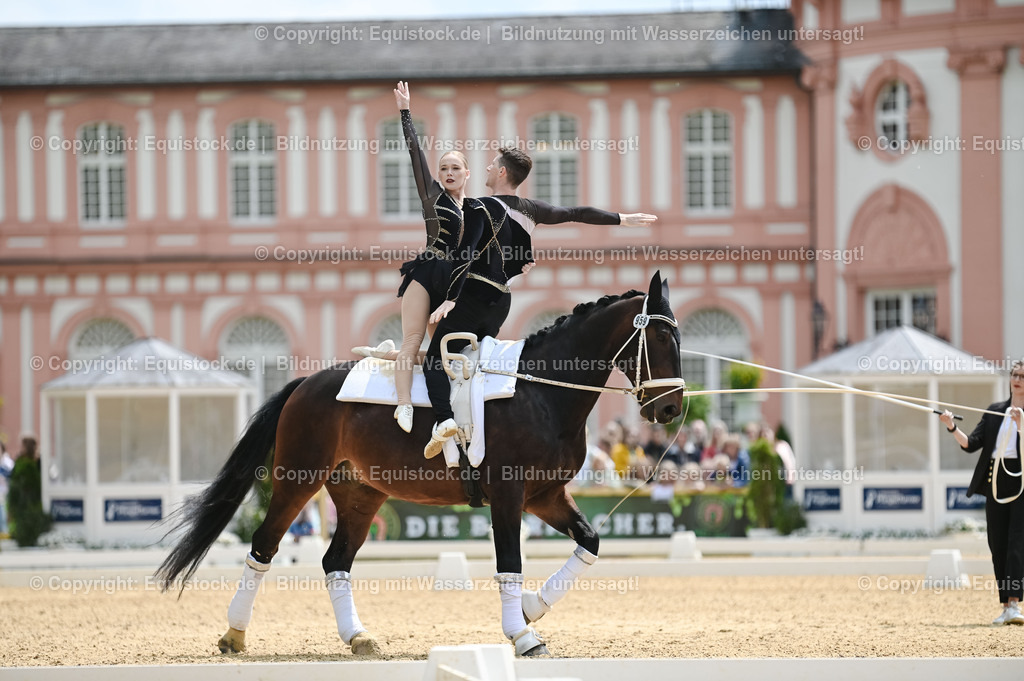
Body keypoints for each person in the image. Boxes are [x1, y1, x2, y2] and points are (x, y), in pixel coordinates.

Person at [421, 145, 658, 458]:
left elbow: (462, 255)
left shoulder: (479, 206)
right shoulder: (530, 209)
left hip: (474, 295)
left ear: (503, 172)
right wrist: (621, 219)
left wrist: (449, 297)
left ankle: (445, 424)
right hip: (501, 300)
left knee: (435, 362)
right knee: (472, 365)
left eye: (492, 165)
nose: (487, 169)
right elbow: (576, 213)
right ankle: (477, 435)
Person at [353, 82, 477, 434]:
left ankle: (390, 360)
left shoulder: (479, 210)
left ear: (467, 173)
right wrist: (405, 112)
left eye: (455, 168)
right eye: (444, 169)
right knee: (413, 340)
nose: (448, 173)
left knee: (450, 353)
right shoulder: (433, 198)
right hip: (427, 272)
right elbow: (414, 154)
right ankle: (404, 404)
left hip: (454, 283)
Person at [940, 360, 1024, 625]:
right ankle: (1005, 604)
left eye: (1022, 375)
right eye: (1014, 374)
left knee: (1017, 541)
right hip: (995, 480)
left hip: (1021, 480)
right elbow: (971, 444)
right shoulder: (995, 411)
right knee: (997, 543)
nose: (1017, 379)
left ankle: (1015, 603)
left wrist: (1021, 426)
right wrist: (952, 426)